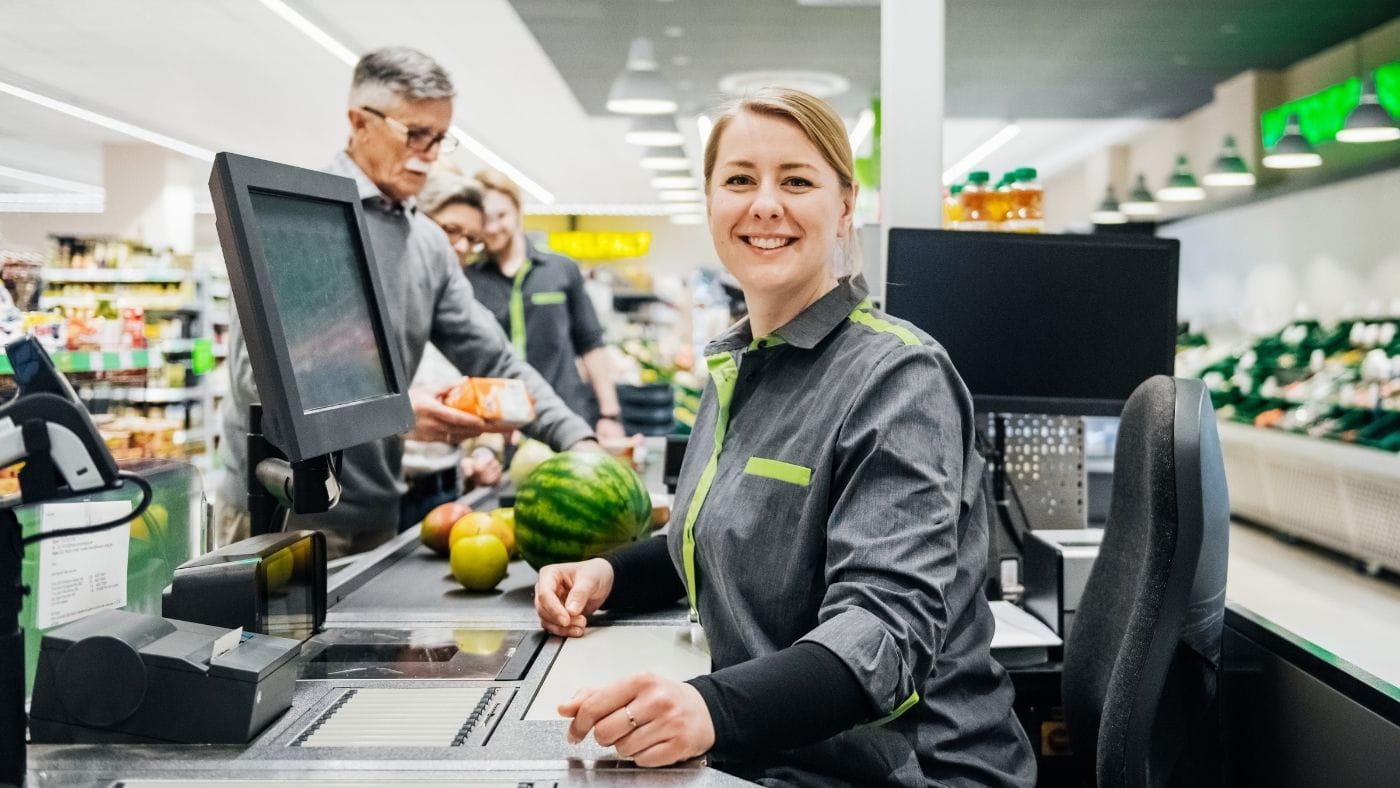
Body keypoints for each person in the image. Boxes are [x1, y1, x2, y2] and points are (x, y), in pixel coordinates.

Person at [533, 87, 1037, 786]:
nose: (765, 204)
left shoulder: (898, 377)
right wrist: (609, 575)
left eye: (796, 180)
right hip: (777, 754)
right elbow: (730, 528)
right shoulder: (738, 365)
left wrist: (708, 708)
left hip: (903, 767)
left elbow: (880, 633)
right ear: (710, 200)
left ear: (844, 205)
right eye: (739, 179)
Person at [217, 47, 596, 557]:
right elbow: (256, 378)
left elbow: (496, 360)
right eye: (415, 134)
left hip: (377, 510)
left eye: (439, 138)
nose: (430, 153)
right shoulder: (295, 215)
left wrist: (579, 440)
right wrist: (398, 414)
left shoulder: (428, 243)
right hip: (280, 509)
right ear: (359, 121)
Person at [465, 169, 625, 439]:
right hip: (498, 425)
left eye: (501, 216)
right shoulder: (467, 280)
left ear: (518, 211)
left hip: (567, 412)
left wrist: (609, 414)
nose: (492, 228)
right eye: (484, 219)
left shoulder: (560, 269)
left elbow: (591, 343)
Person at [396, 172, 505, 530]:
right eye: (450, 229)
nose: (460, 246)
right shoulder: (393, 303)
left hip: (445, 488)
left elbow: (487, 392)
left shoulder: (471, 318)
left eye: (472, 239)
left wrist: (486, 451)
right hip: (385, 491)